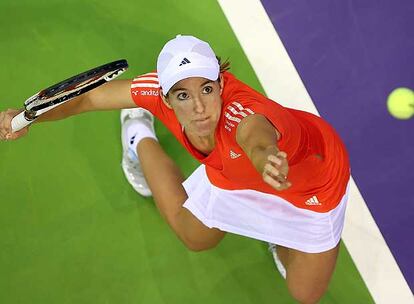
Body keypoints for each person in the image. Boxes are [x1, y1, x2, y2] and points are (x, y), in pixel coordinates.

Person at [0, 35, 350, 304]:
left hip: (308, 184)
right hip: (235, 175)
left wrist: (264, 158)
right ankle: (138, 135)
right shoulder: (155, 92)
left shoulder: (243, 114)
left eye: (207, 89)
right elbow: (90, 97)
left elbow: (255, 137)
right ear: (164, 98)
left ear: (222, 84)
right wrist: (29, 116)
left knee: (305, 294)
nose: (199, 107)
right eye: (182, 95)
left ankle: (279, 236)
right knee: (195, 237)